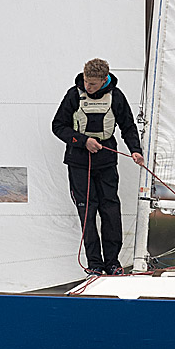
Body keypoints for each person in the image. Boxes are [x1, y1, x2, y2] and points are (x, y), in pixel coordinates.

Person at [52, 58, 144, 275]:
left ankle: (112, 262)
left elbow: (128, 127)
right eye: (86, 81)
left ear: (104, 80)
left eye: (92, 83)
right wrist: (83, 141)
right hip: (78, 160)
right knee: (87, 211)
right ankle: (95, 264)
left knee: (110, 210)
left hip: (106, 160)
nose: (88, 86)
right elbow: (58, 126)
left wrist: (135, 150)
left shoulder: (117, 96)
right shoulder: (74, 95)